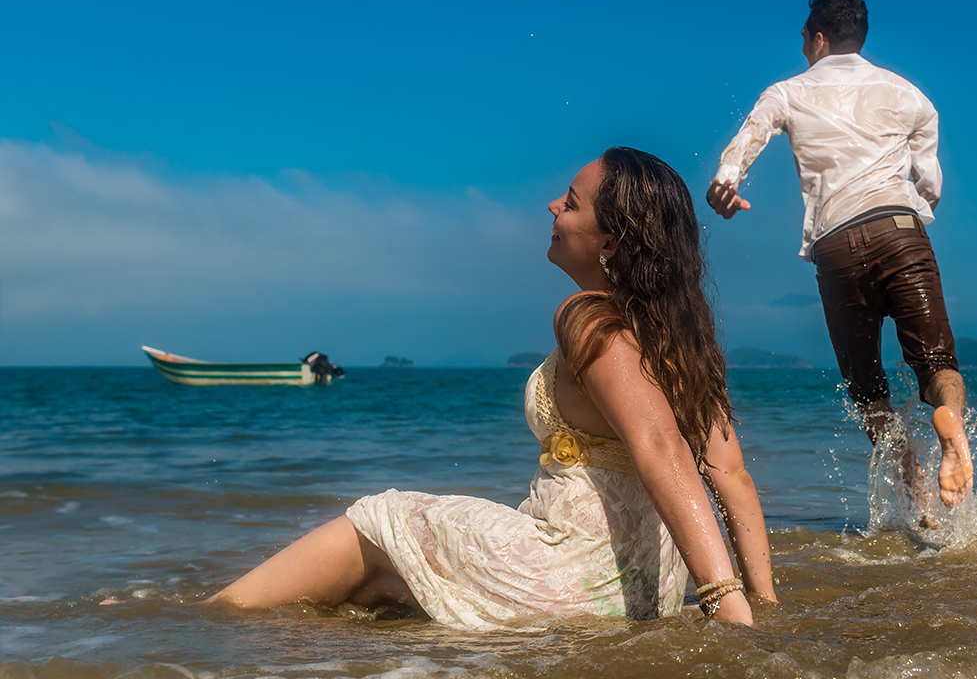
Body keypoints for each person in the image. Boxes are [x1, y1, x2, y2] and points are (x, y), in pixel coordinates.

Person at [208, 147, 776, 627]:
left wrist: (723, 602)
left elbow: (659, 447)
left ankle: (208, 620)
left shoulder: (586, 318)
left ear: (609, 240)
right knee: (376, 596)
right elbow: (731, 474)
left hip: (568, 576)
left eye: (572, 202)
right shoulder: (683, 343)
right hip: (641, 592)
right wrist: (762, 602)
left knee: (382, 521)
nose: (553, 206)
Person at [706, 0, 973, 522]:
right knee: (937, 363)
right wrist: (905, 210)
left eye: (805, 39)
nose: (804, 48)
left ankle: (915, 487)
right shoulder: (909, 94)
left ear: (819, 38)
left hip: (835, 246)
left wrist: (725, 184)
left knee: (867, 387)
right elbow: (930, 180)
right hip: (900, 229)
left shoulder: (788, 91)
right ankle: (951, 425)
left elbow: (749, 138)